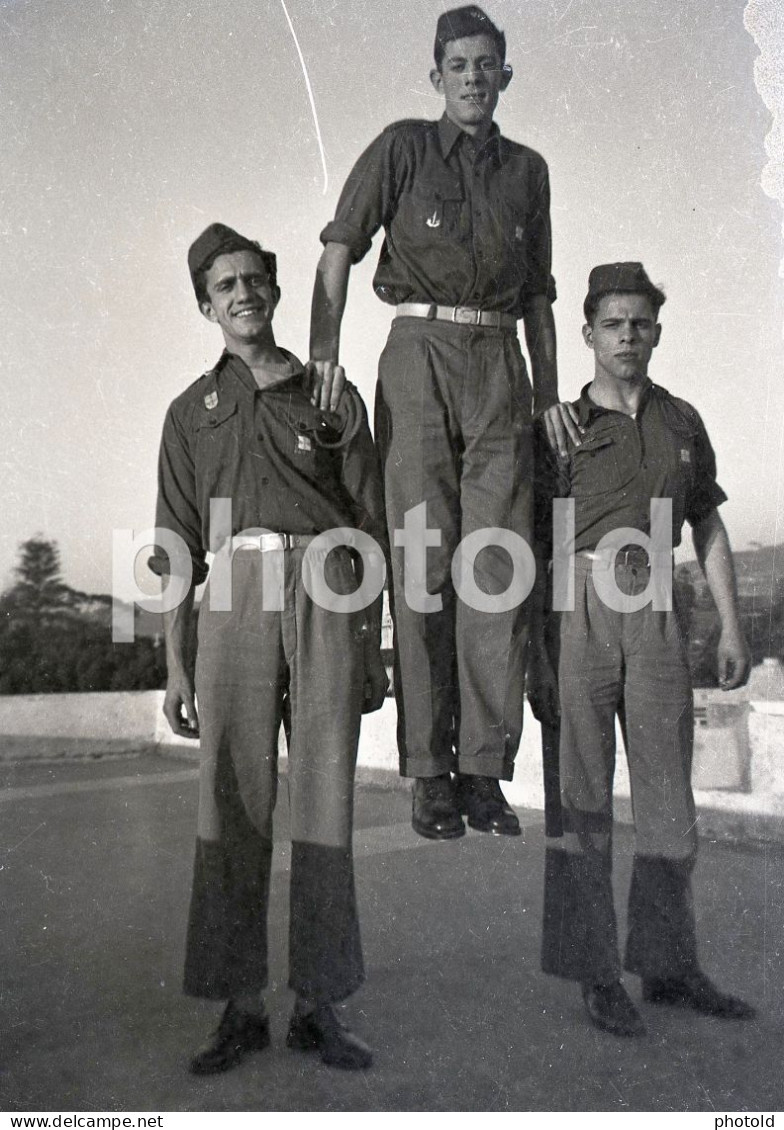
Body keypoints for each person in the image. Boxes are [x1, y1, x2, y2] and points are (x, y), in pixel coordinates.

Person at [309, 5, 561, 840]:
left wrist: (550, 393)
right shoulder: (402, 147)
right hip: (416, 351)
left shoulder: (528, 170)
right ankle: (429, 771)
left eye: (487, 64)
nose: (473, 78)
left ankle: (484, 770)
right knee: (422, 560)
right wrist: (323, 352)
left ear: (506, 74)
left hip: (500, 366)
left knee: (497, 568)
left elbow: (538, 299)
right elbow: (340, 249)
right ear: (436, 76)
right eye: (458, 65)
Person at [151, 222, 388, 1075]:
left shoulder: (329, 395)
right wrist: (176, 664)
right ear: (205, 305)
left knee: (325, 800)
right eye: (225, 286)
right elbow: (174, 541)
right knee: (233, 802)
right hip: (236, 596)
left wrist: (375, 643)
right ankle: (237, 1004)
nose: (243, 293)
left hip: (329, 591)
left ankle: (321, 1005)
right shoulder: (190, 412)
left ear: (277, 293)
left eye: (255, 280)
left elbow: (370, 524)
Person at [530, 261, 756, 1038]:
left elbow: (709, 525)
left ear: (657, 331)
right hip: (579, 606)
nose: (629, 335)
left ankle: (668, 964)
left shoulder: (682, 420)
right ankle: (596, 972)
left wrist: (732, 624)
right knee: (583, 798)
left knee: (669, 801)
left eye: (642, 323)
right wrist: (534, 647)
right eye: (614, 323)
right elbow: (526, 541)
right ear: (588, 334)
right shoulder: (560, 426)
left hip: (660, 600)